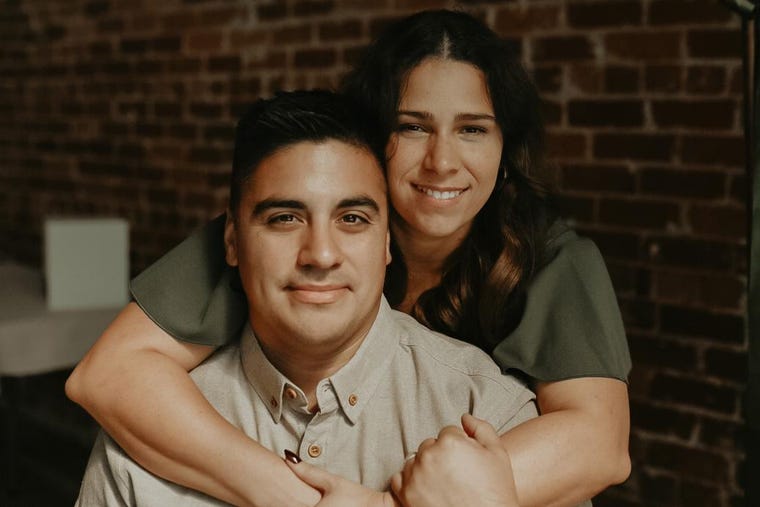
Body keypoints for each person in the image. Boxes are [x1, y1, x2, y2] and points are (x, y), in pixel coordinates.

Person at [67, 9, 631, 507]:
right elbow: (111, 374)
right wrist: (289, 494)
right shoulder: (268, 229)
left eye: (473, 130)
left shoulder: (549, 261)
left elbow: (599, 445)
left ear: (506, 150)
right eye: (412, 127)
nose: (441, 161)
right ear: (370, 143)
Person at [75, 90, 533, 506]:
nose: (321, 254)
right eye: (285, 218)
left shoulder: (488, 416)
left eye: (352, 219)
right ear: (232, 240)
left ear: (386, 243)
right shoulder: (145, 443)